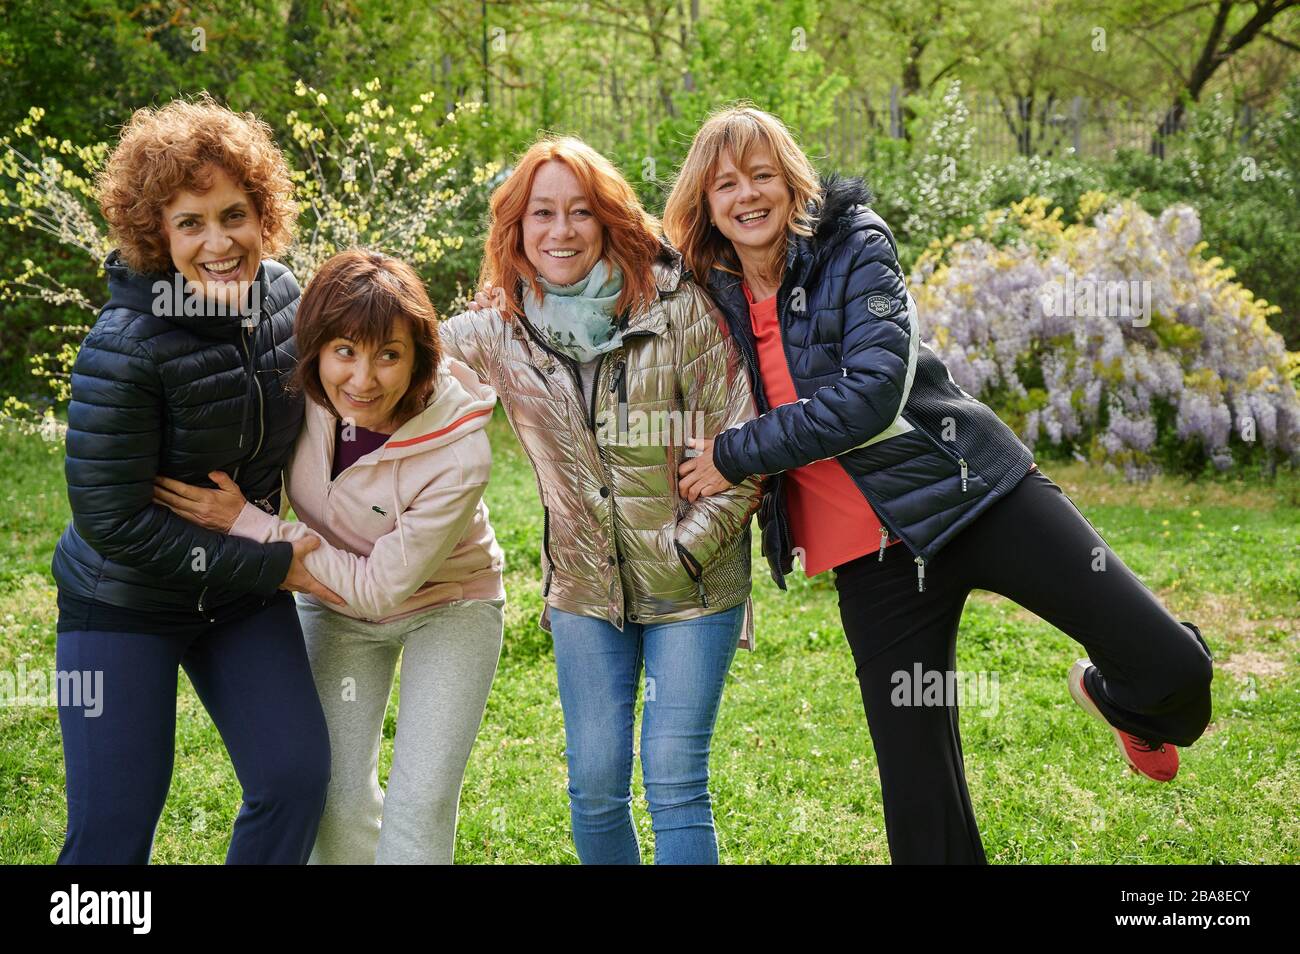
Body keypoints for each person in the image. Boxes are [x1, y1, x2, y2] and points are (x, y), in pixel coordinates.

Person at [666, 105, 1215, 864]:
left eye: (763, 175)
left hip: (975, 493)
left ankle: (1119, 700)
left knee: (1174, 670)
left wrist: (735, 452)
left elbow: (871, 393)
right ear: (706, 202)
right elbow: (600, 278)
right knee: (922, 802)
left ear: (793, 184)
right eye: (726, 183)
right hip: (867, 556)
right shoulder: (705, 289)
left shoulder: (855, 245)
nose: (747, 195)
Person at [445, 135, 763, 863]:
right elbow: (397, 354)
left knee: (677, 779)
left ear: (608, 220)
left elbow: (745, 440)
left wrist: (685, 548)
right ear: (517, 230)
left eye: (580, 212)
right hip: (585, 591)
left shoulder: (677, 305)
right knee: (592, 784)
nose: (561, 232)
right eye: (542, 214)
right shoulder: (501, 329)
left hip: (695, 583)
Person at [51, 96, 337, 864]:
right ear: (156, 235)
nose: (220, 242)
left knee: (295, 778)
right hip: (122, 603)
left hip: (240, 602)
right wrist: (272, 560)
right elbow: (114, 521)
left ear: (263, 213)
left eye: (234, 213)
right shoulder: (123, 347)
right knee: (112, 830)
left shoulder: (281, 297)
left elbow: (363, 370)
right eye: (191, 223)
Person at [152, 250, 506, 864]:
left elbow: (378, 590)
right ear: (314, 346)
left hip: (449, 607)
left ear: (419, 356)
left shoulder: (461, 455)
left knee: (418, 804)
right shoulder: (301, 394)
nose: (363, 379)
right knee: (334, 801)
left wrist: (255, 531)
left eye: (388, 355)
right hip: (333, 602)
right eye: (345, 351)